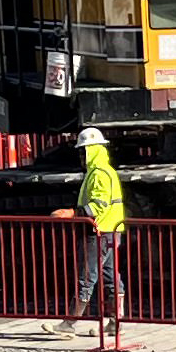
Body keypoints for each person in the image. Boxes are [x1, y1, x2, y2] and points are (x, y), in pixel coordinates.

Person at [55, 127, 128, 335]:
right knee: (111, 277)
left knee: (87, 277)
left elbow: (98, 206)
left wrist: (72, 213)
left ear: (91, 151)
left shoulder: (98, 174)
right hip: (111, 230)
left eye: (82, 152)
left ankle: (68, 324)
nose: (80, 156)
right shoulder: (106, 171)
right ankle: (115, 324)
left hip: (99, 231)